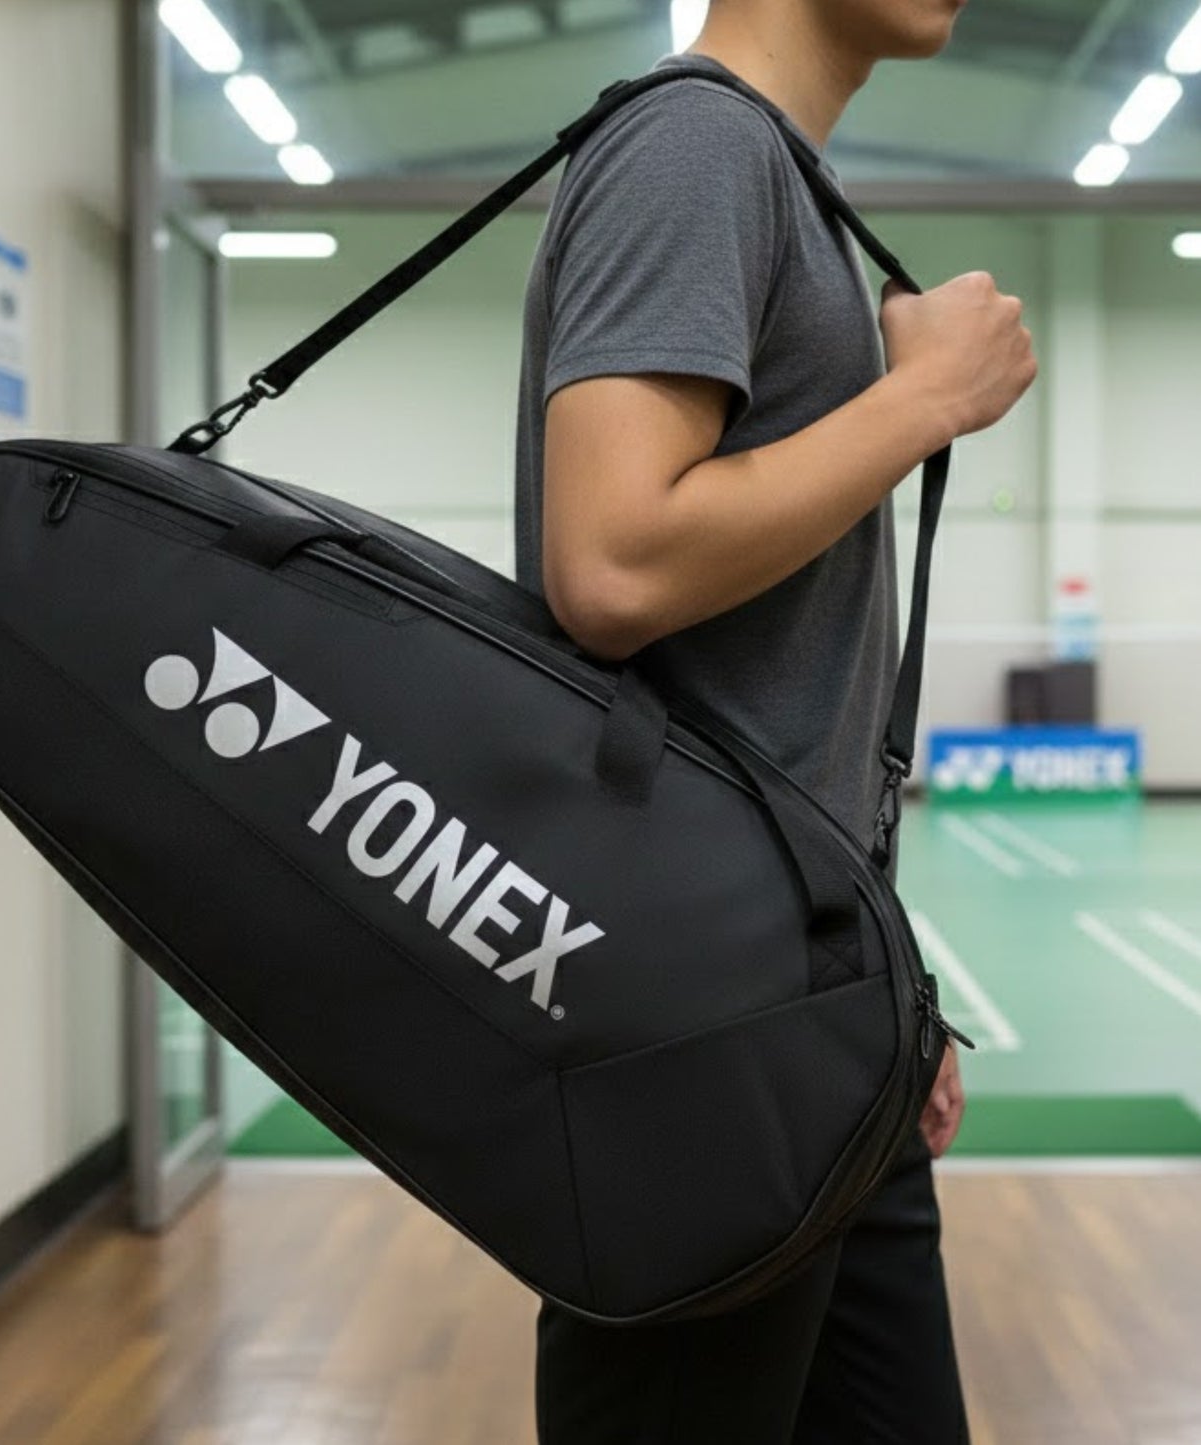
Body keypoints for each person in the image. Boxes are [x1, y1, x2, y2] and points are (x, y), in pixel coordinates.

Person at [513, 0, 1037, 1440]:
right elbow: (612, 561)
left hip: (811, 1006)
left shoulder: (777, 177)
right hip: (699, 1026)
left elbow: (779, 695)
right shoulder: (693, 144)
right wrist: (924, 396)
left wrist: (885, 987)